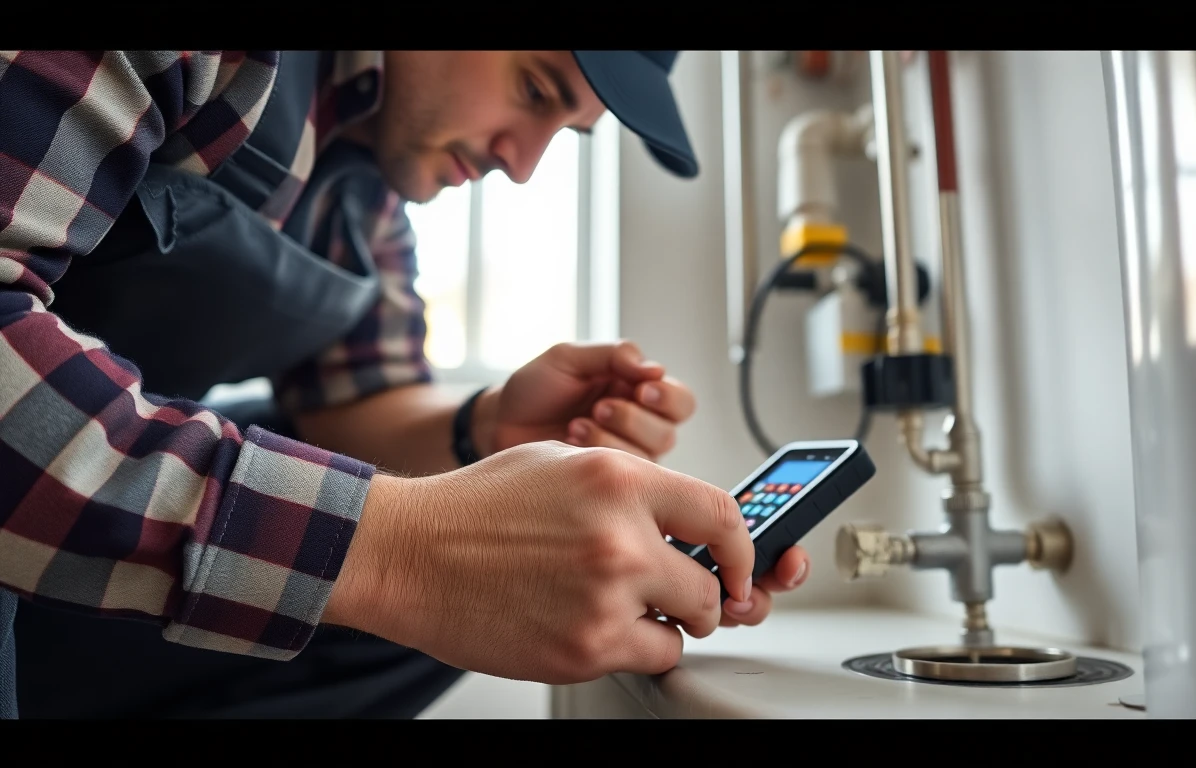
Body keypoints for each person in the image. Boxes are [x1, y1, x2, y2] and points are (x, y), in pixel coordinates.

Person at [0, 50, 813, 719]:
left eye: (563, 134)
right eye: (534, 89)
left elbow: (353, 406)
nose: (523, 166)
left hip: (75, 570)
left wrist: (485, 428)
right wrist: (405, 555)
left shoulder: (369, 192)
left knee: (460, 602)